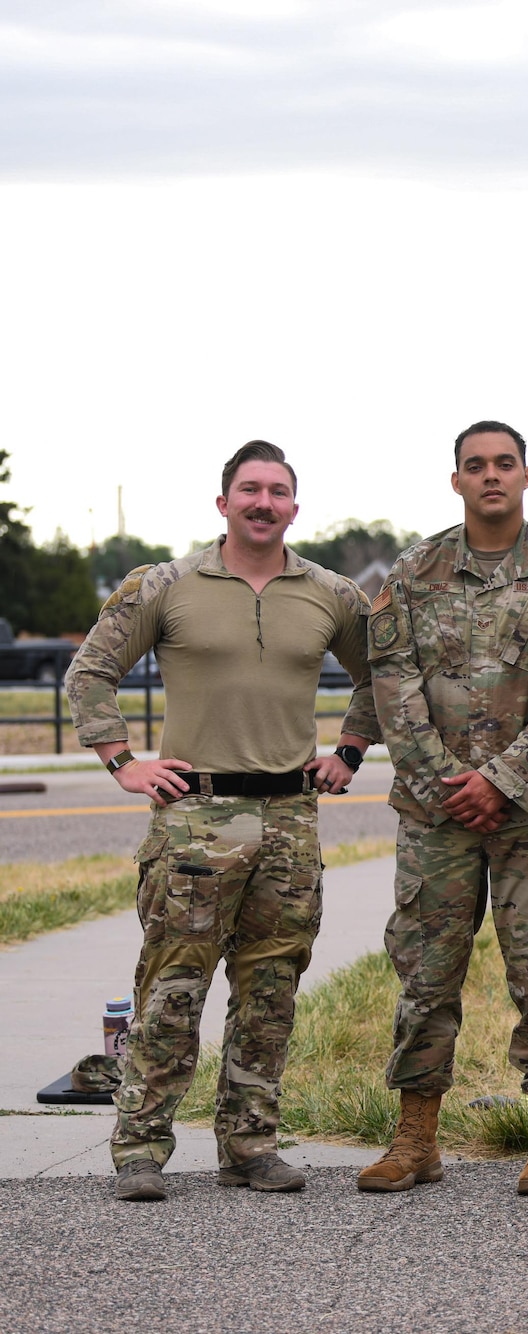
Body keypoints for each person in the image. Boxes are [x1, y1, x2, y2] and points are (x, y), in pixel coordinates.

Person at [67, 441, 379, 1202]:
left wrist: (350, 748)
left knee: (271, 988)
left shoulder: (331, 593)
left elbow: (387, 675)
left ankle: (250, 1145)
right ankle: (140, 1148)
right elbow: (90, 672)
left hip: (290, 815)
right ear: (223, 503)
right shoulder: (166, 586)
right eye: (249, 489)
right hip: (196, 817)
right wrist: (122, 761)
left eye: (277, 491)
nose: (263, 502)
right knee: (174, 986)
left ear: (294, 507)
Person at [357, 420, 528, 1197]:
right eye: (474, 466)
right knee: (426, 974)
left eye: (504, 463)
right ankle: (415, 1137)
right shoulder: (415, 572)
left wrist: (506, 779)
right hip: (437, 815)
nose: (490, 476)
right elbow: (392, 685)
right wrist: (450, 785)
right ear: (454, 480)